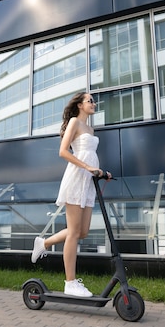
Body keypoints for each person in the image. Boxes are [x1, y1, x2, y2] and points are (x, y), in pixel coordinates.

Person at [31, 92, 111, 297]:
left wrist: (102, 172)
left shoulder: (90, 129)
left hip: (89, 181)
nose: (93, 103)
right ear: (79, 105)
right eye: (89, 100)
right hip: (76, 178)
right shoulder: (75, 122)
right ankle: (70, 282)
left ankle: (44, 243)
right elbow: (63, 151)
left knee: (82, 232)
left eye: (94, 100)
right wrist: (87, 166)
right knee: (74, 233)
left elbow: (91, 154)